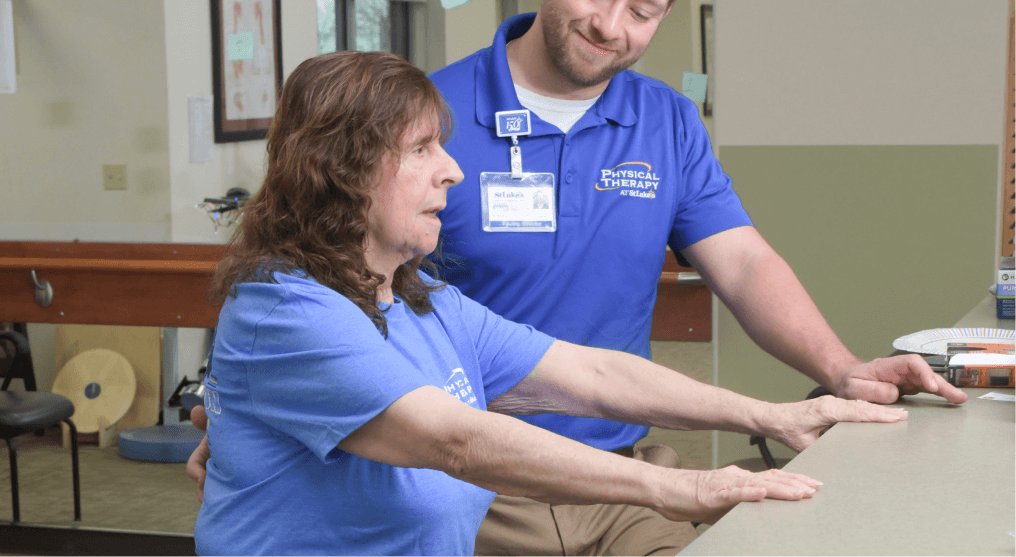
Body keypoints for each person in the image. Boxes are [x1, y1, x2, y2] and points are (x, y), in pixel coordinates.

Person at [424, 0, 968, 556]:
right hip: (468, 481)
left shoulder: (668, 122)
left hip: (622, 481)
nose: (610, 26)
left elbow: (743, 264)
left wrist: (841, 367)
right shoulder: (430, 115)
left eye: (643, 10)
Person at [189, 50, 909, 557]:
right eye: (421, 149)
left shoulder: (423, 301)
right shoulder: (284, 313)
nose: (452, 170)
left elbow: (593, 375)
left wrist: (772, 416)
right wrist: (676, 486)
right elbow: (457, 441)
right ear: (342, 170)